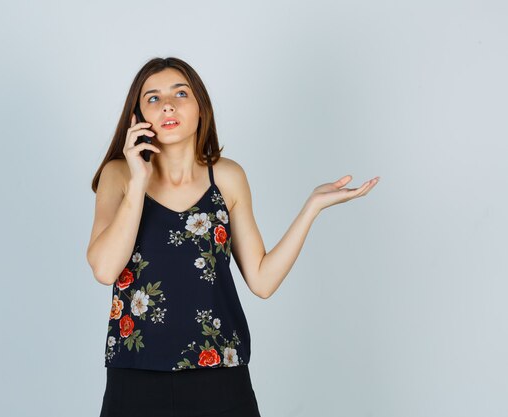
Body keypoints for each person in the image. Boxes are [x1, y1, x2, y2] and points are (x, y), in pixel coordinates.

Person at [86, 57, 379, 417]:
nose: (168, 105)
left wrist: (311, 208)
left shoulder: (226, 177)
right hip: (135, 372)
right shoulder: (119, 175)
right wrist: (138, 181)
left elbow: (262, 279)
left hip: (220, 375)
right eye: (153, 98)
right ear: (138, 116)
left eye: (181, 93)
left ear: (200, 107)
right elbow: (104, 269)